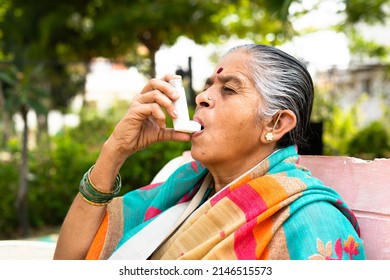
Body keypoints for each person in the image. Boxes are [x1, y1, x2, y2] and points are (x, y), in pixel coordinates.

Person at [53, 44, 365, 260]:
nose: (202, 96)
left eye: (228, 89)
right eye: (207, 86)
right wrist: (115, 150)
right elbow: (70, 262)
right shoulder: (184, 191)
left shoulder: (311, 221)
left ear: (276, 123)